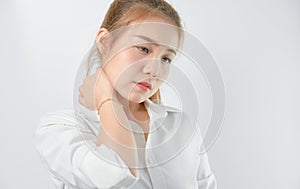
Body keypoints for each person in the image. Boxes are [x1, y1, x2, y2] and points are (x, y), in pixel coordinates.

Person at [34, 0, 217, 188]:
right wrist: (106, 97)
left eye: (166, 58)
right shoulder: (59, 130)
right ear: (105, 42)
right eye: (144, 49)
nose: (154, 69)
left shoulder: (181, 126)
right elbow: (114, 176)